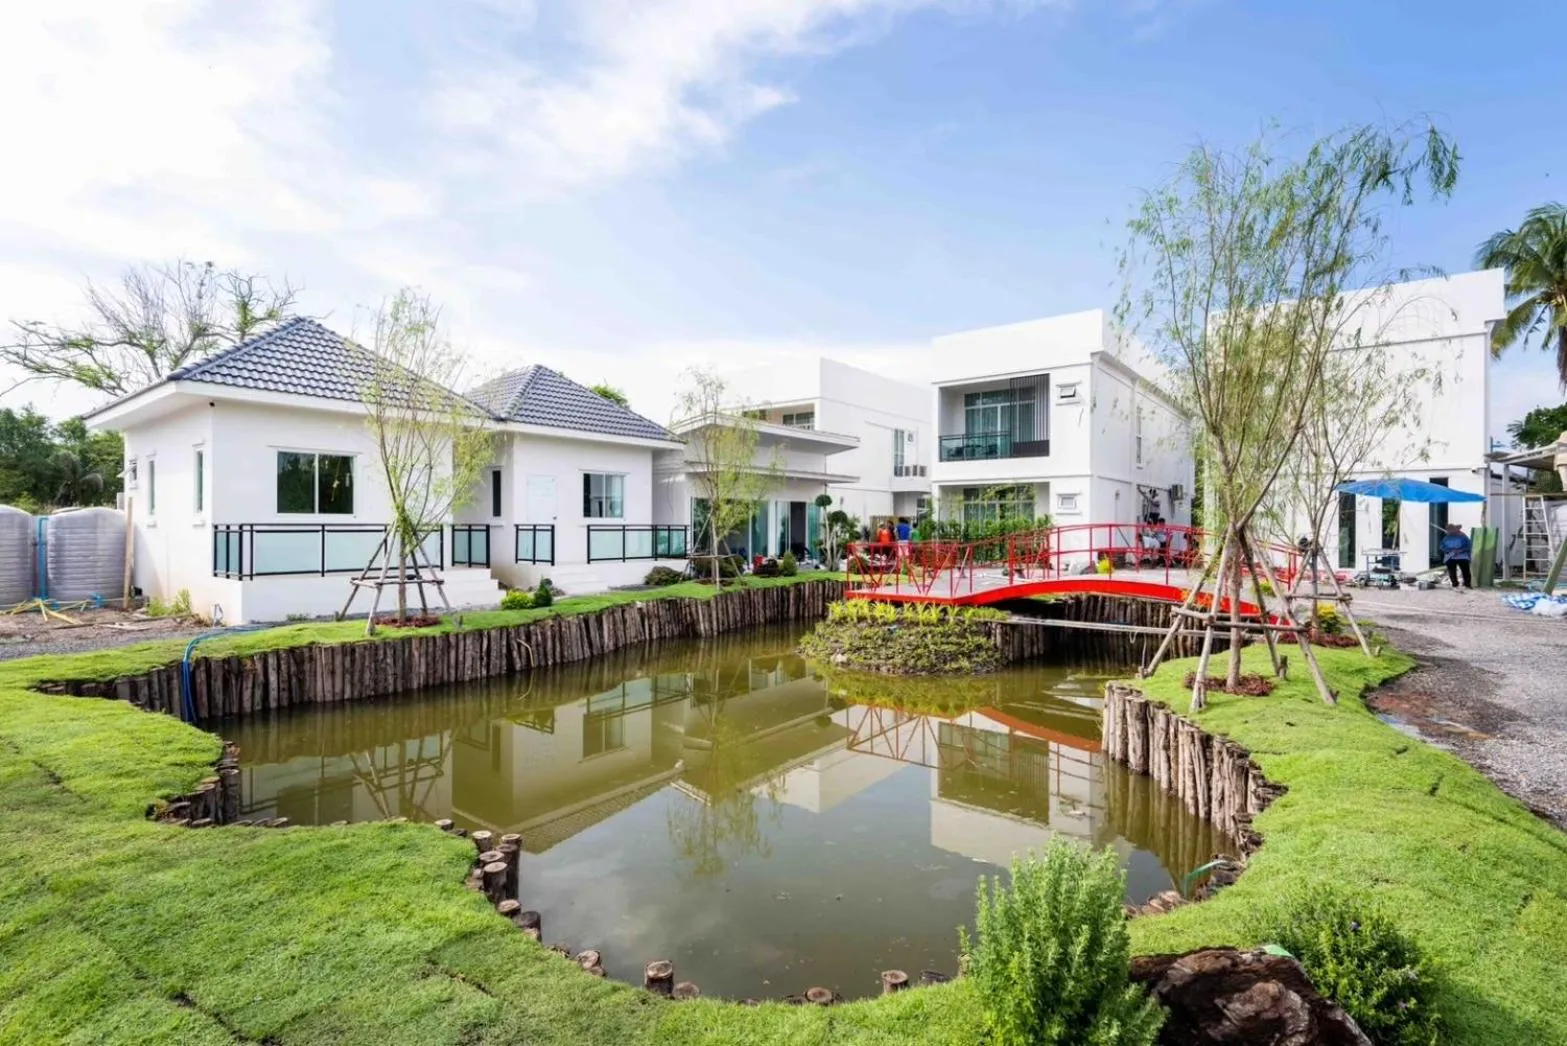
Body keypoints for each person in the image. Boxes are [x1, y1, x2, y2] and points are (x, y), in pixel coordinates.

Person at [1438, 523, 1472, 590]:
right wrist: (1449, 550)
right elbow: (1442, 547)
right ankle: (1455, 584)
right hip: (1450, 556)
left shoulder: (1463, 536)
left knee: (1465, 570)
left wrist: (1461, 550)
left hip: (1462, 555)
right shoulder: (1446, 538)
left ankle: (1467, 584)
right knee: (1451, 570)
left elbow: (1469, 546)